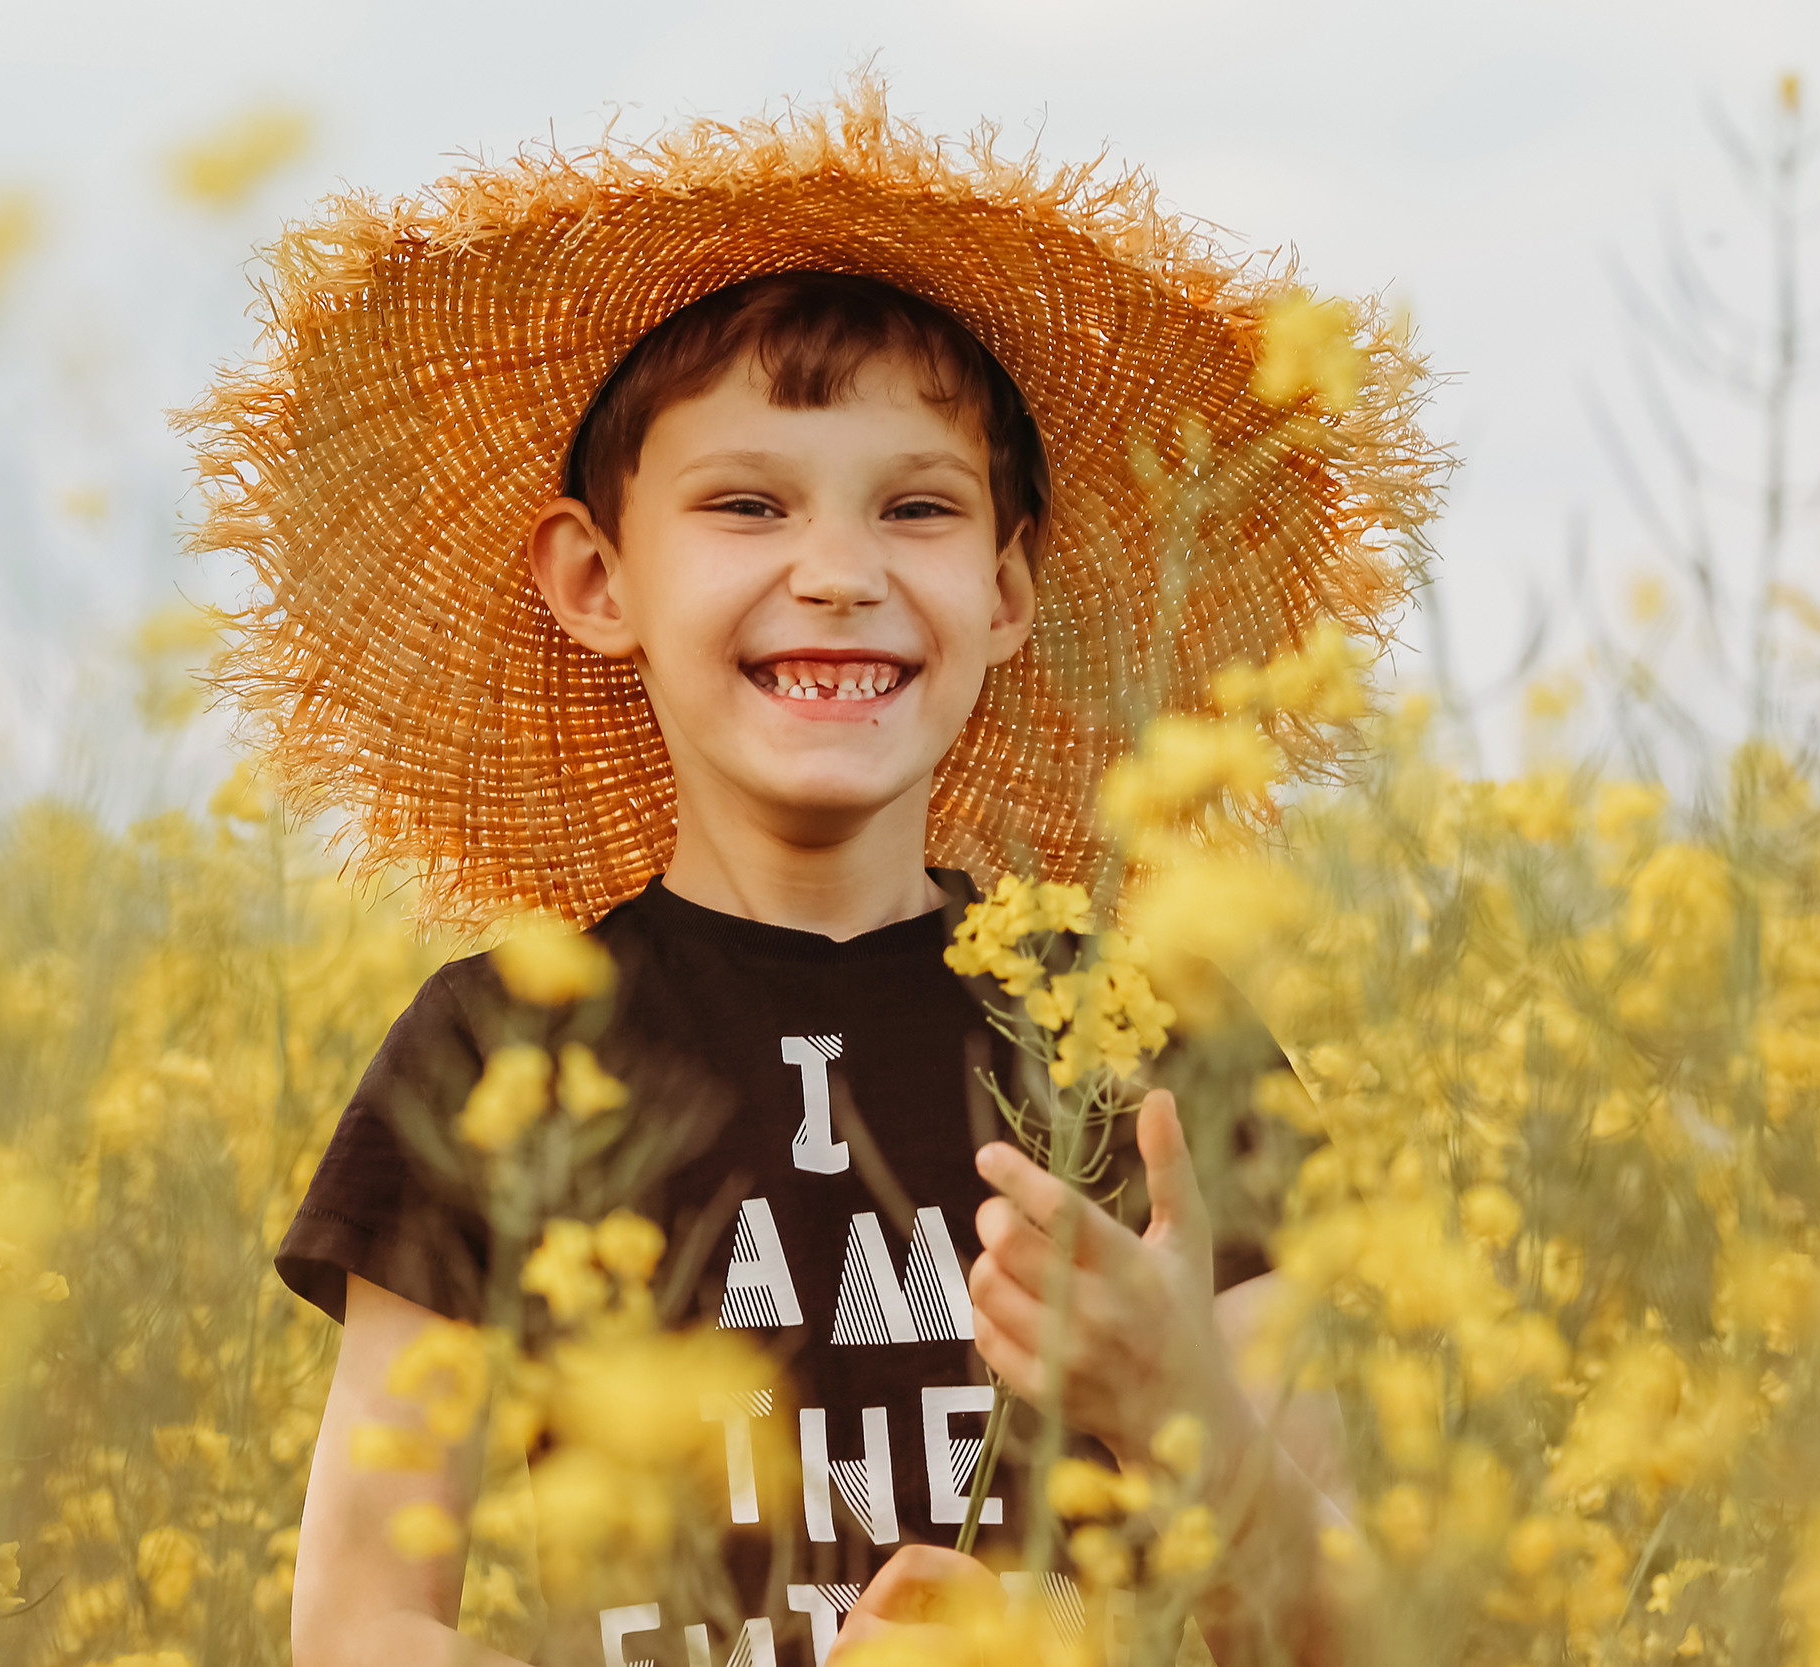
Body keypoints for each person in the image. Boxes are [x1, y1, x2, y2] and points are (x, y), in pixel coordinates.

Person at [188, 78, 1437, 1667]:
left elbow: (1354, 1644)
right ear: (595, 578)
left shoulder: (1147, 1034)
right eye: (745, 503)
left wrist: (1175, 1404)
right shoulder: (501, 1048)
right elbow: (363, 1617)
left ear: (1003, 592)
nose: (838, 572)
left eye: (915, 509)